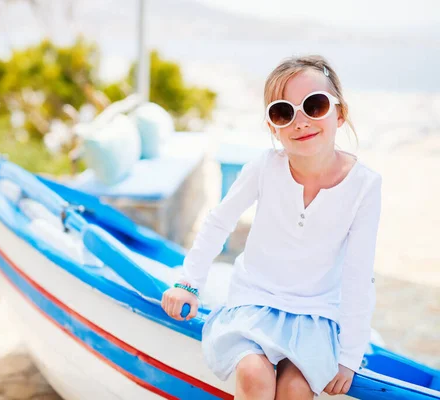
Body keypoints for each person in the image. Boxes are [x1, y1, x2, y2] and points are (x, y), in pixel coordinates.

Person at [161, 55, 382, 399]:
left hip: (316, 313)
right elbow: (219, 221)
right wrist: (188, 282)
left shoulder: (364, 186)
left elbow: (358, 274)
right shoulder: (265, 167)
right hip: (255, 299)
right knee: (252, 373)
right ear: (272, 127)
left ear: (339, 113)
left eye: (315, 105)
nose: (301, 121)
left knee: (296, 388)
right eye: (283, 112)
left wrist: (350, 356)